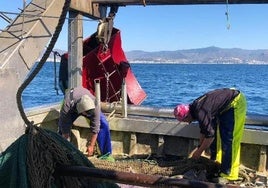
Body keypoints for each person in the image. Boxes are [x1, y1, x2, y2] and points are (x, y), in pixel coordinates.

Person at [173, 88, 247, 181]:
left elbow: (210, 136)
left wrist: (199, 151)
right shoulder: (195, 109)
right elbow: (204, 131)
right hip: (224, 106)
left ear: (187, 115)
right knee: (219, 136)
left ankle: (229, 174)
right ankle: (219, 165)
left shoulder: (200, 112)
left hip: (235, 101)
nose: (188, 123)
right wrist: (199, 147)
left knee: (230, 140)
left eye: (185, 120)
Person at [58, 86, 113, 160]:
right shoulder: (67, 106)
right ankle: (61, 151)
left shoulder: (95, 105)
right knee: (62, 128)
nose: (88, 116)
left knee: (103, 123)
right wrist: (66, 144)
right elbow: (65, 127)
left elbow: (96, 127)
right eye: (86, 114)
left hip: (88, 105)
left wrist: (91, 145)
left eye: (89, 115)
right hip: (72, 106)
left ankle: (106, 154)